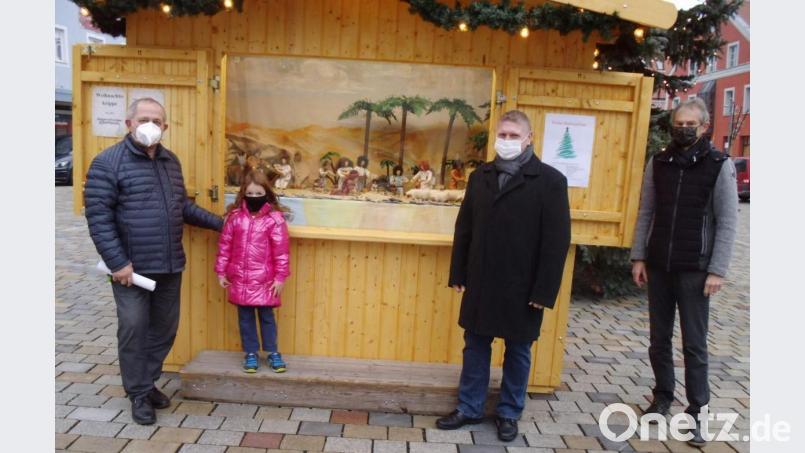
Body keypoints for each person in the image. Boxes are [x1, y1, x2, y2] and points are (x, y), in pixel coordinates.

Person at [84, 98, 223, 425]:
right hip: (130, 270)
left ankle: (145, 385)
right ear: (129, 123)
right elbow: (98, 218)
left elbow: (182, 208)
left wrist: (223, 223)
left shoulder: (170, 162)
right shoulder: (107, 162)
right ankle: (138, 395)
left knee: (163, 330)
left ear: (165, 127)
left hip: (170, 265)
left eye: (157, 120)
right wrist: (118, 263)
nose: (150, 124)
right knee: (134, 329)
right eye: (144, 118)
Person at [438, 110, 571, 442]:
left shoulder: (551, 181)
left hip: (523, 285)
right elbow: (464, 227)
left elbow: (556, 242)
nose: (507, 141)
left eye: (514, 135)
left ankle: (509, 412)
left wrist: (544, 291)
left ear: (529, 138)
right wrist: (458, 271)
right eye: (503, 135)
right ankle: (469, 407)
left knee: (519, 349)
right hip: (482, 278)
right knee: (476, 344)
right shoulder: (480, 176)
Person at [630, 98, 738, 447]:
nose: (683, 128)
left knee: (694, 343)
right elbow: (646, 211)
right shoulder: (659, 162)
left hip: (696, 268)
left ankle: (697, 412)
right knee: (658, 339)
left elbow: (728, 221)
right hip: (659, 264)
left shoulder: (719, 165)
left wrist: (717, 269)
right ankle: (662, 396)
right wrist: (638, 257)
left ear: (704, 126)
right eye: (679, 122)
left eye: (691, 123)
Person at [215, 170, 291, 374]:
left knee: (267, 317)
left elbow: (281, 252)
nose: (255, 198)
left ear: (266, 193)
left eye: (259, 194)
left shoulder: (275, 220)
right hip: (240, 278)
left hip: (265, 280)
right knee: (245, 318)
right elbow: (225, 246)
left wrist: (280, 277)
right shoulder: (235, 218)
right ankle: (250, 352)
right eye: (251, 193)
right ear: (243, 193)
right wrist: (221, 272)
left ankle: (273, 352)